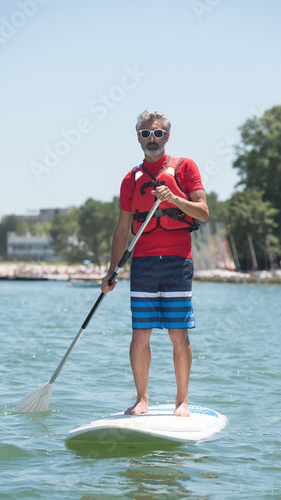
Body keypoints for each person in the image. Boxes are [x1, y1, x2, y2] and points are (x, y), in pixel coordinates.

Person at [101, 110, 209, 417]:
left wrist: (173, 198)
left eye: (158, 134)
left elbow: (202, 212)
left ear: (167, 136)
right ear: (137, 136)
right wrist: (112, 271)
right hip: (144, 263)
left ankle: (182, 401)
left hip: (178, 262)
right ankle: (142, 399)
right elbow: (122, 230)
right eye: (146, 134)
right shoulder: (130, 179)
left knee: (178, 333)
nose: (152, 139)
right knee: (140, 333)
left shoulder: (185, 168)